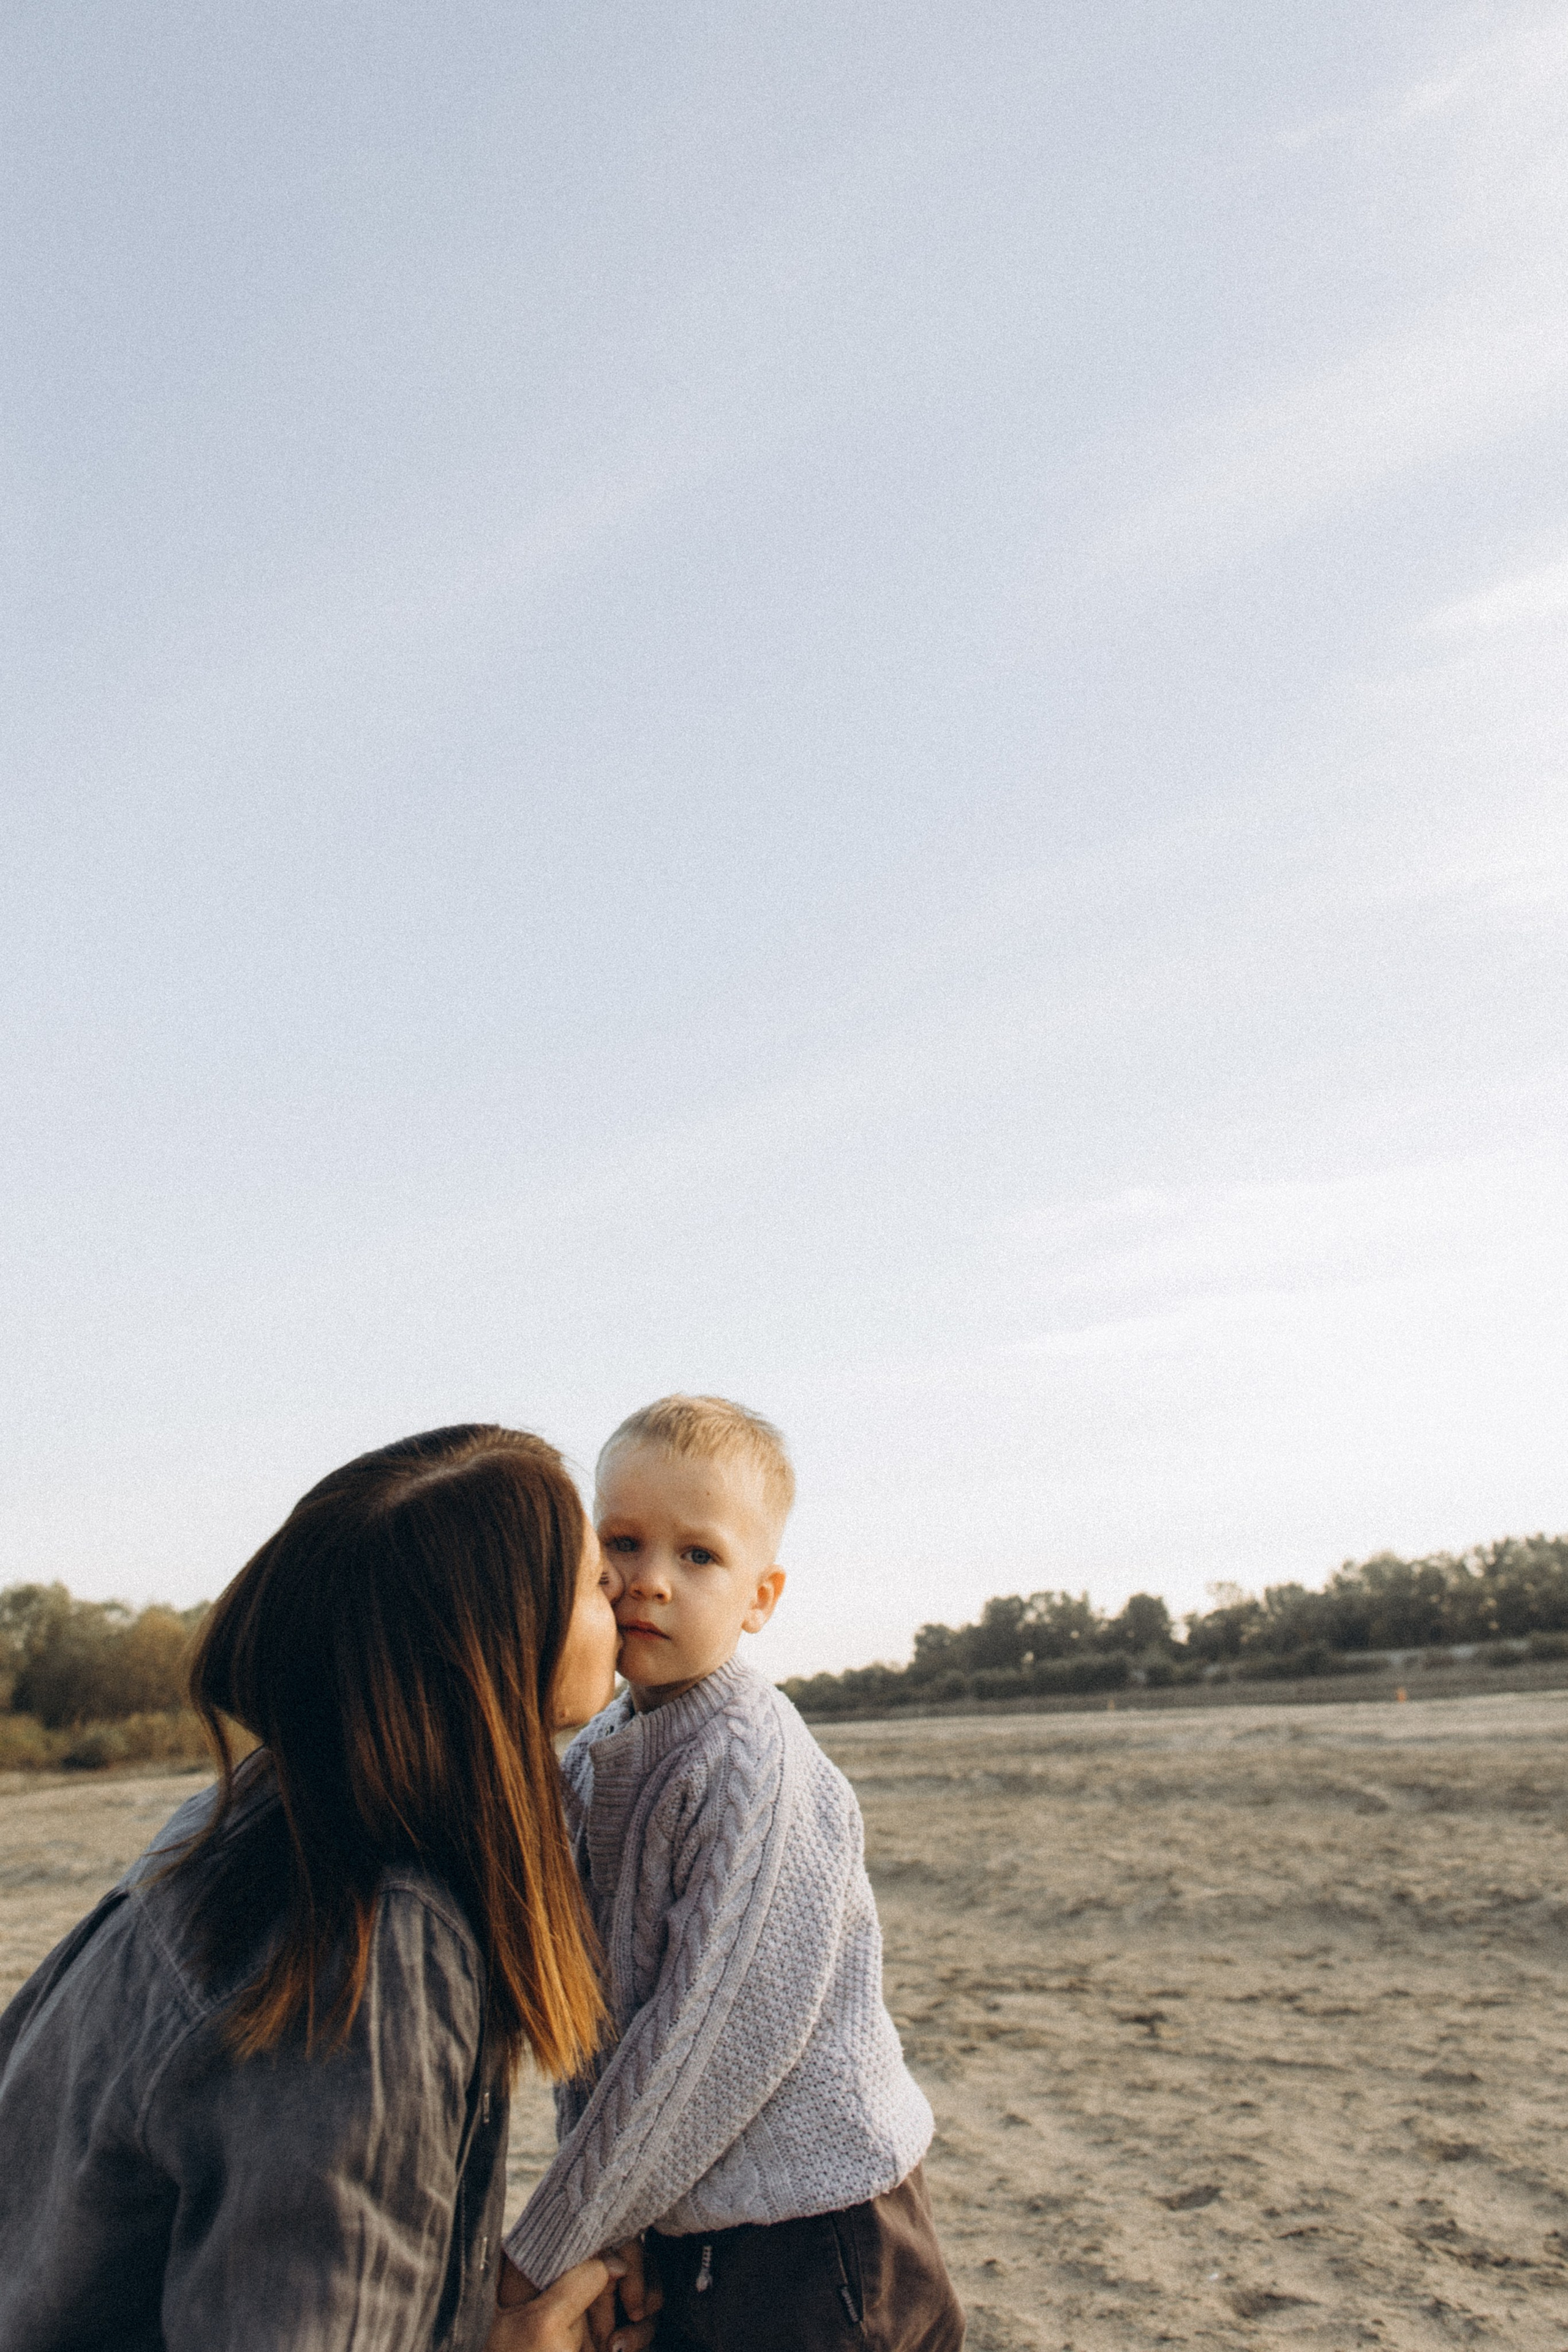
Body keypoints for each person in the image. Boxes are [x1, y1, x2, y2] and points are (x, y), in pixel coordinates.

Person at [0, 1423, 661, 2352]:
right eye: (595, 1581)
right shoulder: (371, 1948)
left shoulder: (250, 1822)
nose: (626, 1593)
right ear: (496, 1641)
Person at [500, 1396, 965, 2352]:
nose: (649, 1582)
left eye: (698, 1555)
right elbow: (597, 2025)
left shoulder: (754, 1767)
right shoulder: (597, 1751)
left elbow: (703, 2046)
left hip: (818, 2231)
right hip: (687, 2214)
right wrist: (612, 2227)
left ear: (760, 1596)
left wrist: (543, 2247)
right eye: (622, 1543)